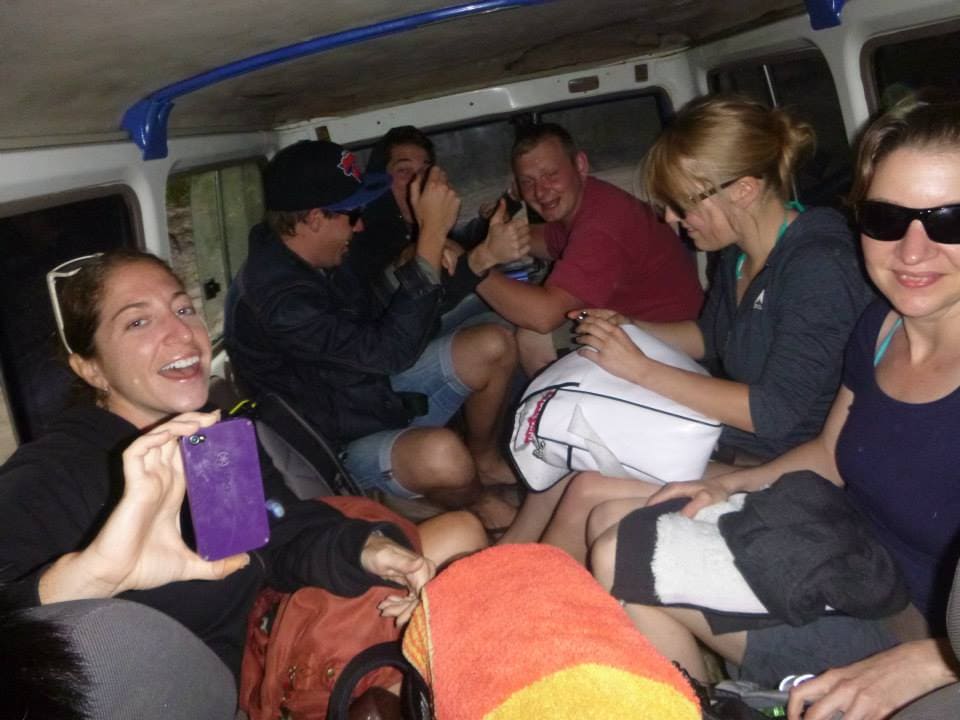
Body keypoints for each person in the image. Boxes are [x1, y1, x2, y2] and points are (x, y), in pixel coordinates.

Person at [590, 96, 960, 719]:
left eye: (950, 220)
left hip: (929, 636)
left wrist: (935, 660)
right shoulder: (881, 326)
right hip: (850, 562)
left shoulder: (817, 270)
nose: (912, 250)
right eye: (886, 218)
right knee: (621, 546)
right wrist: (729, 485)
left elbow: (778, 414)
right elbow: (827, 452)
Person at [0, 250, 486, 717]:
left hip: (260, 651)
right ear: (91, 368)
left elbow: (279, 532)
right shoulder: (54, 473)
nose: (182, 334)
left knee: (461, 544)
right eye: (138, 321)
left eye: (183, 308)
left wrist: (370, 550)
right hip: (181, 698)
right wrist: (95, 574)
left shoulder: (207, 441)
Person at [500, 95, 872, 560]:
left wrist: (639, 368)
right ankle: (508, 560)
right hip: (738, 441)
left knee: (586, 491)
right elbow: (710, 336)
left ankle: (526, 592)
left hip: (793, 463)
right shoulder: (736, 253)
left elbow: (774, 412)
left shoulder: (818, 267)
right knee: (577, 444)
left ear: (743, 190)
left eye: (680, 204)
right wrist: (628, 327)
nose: (670, 220)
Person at [223, 140, 521, 529]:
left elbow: (396, 317)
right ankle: (472, 504)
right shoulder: (279, 301)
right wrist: (430, 236)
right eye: (353, 214)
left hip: (364, 392)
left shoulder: (318, 259)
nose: (361, 224)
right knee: (442, 455)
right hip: (338, 443)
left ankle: (480, 464)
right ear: (314, 218)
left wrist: (479, 260)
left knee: (492, 344)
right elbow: (390, 351)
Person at [474, 122, 704, 376]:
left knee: (533, 337)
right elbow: (548, 240)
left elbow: (544, 317)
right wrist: (497, 240)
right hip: (627, 318)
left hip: (667, 339)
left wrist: (473, 267)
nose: (540, 191)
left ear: (580, 166)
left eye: (551, 175)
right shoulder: (586, 199)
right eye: (528, 182)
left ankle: (550, 408)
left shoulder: (602, 223)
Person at [349, 125, 528, 332]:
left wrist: (509, 201)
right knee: (499, 331)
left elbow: (459, 245)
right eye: (404, 171)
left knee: (517, 309)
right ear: (382, 180)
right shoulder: (366, 232)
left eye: (425, 171)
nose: (417, 181)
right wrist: (480, 257)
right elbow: (428, 299)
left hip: (430, 322)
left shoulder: (418, 222)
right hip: (399, 338)